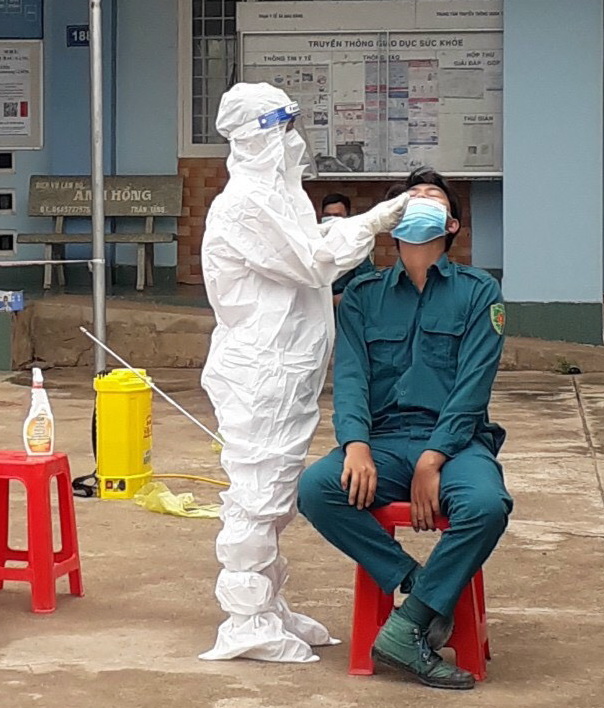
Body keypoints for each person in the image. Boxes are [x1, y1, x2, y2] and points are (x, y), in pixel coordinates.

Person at [199, 82, 409, 663]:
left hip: (284, 370)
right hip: (260, 371)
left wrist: (361, 224)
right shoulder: (244, 205)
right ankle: (246, 619)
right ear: (254, 137)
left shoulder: (277, 198)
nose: (293, 141)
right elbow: (313, 260)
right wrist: (374, 221)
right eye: (281, 129)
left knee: (276, 492)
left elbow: (308, 241)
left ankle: (267, 602)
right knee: (257, 492)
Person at [297, 167, 511, 689]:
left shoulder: (480, 292)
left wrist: (433, 459)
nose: (420, 203)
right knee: (316, 489)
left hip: (457, 444)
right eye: (409, 199)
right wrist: (355, 444)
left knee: (486, 506)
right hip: (385, 442)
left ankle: (407, 624)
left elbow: (473, 388)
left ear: (452, 224)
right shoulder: (363, 296)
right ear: (391, 221)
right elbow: (351, 377)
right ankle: (421, 594)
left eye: (432, 198)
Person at [321, 193, 376, 305]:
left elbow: (367, 283)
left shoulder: (357, 244)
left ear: (346, 217)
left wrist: (341, 298)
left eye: (337, 216)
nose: (331, 220)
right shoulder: (313, 241)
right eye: (327, 215)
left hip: (343, 307)